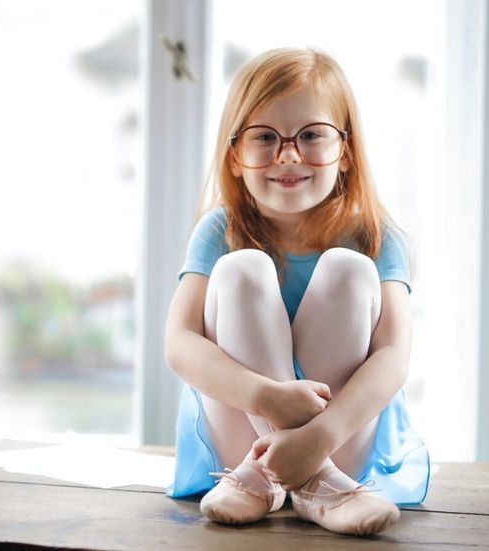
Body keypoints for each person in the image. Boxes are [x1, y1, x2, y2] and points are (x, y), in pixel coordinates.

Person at [163, 47, 430, 537]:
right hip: (239, 438)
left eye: (311, 135)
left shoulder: (375, 236)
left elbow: (393, 356)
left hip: (341, 435)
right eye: (264, 137)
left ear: (346, 152)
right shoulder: (218, 230)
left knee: (348, 270)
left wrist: (321, 435)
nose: (288, 154)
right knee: (241, 269)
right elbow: (179, 344)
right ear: (236, 157)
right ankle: (319, 487)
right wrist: (265, 397)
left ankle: (310, 471)